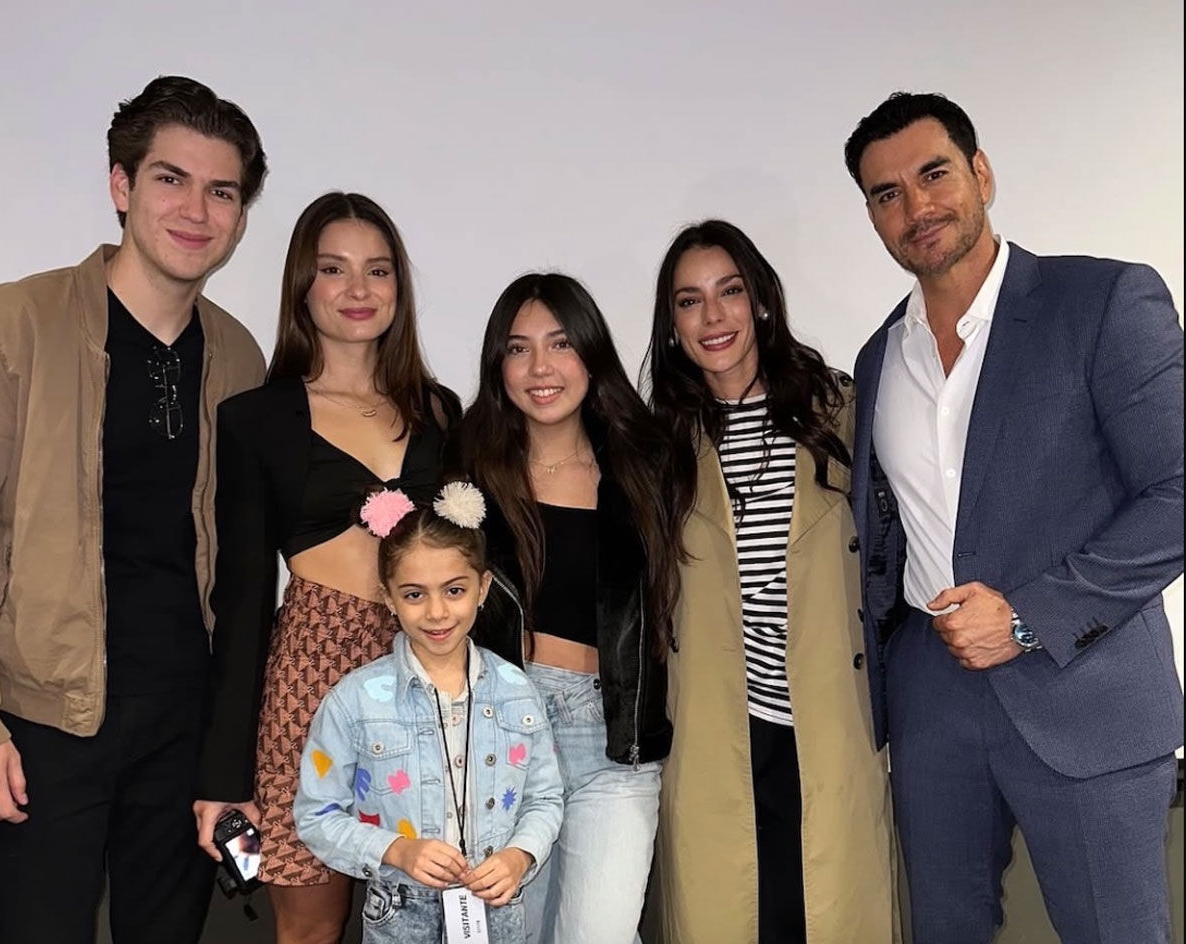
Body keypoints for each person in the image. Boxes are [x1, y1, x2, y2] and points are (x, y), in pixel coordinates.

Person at [0, 76, 267, 943]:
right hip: (44, 726)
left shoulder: (238, 357)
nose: (196, 210)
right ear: (121, 185)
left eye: (221, 191)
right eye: (170, 179)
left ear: (240, 215)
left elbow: (238, 569)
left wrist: (229, 750)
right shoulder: (10, 325)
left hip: (183, 727)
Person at [844, 91, 1184, 944]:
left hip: (1087, 692)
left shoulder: (1101, 300)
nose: (916, 207)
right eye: (887, 194)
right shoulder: (878, 358)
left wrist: (1029, 619)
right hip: (932, 702)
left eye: (934, 174)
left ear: (982, 173)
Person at [194, 191, 461, 944]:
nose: (357, 289)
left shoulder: (440, 413)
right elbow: (242, 599)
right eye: (334, 269)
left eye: (378, 270)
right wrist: (223, 777)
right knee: (312, 921)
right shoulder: (257, 419)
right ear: (302, 286)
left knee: (432, 909)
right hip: (311, 672)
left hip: (426, 669)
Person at [643, 220, 899, 944]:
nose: (713, 316)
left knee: (827, 914)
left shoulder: (842, 411)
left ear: (760, 300)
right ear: (673, 326)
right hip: (715, 731)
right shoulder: (659, 443)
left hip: (829, 724)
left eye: (729, 291)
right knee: (730, 914)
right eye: (689, 301)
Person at [461, 272, 680, 944]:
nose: (541, 368)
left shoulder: (647, 464)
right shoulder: (469, 469)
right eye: (518, 348)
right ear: (498, 365)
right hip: (503, 739)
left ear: (591, 352)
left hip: (614, 741)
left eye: (560, 343)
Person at [294, 483, 564, 943]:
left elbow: (546, 797)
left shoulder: (518, 692)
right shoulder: (354, 701)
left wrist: (520, 855)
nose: (437, 613)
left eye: (454, 590)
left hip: (497, 911)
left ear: (482, 588)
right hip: (399, 914)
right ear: (388, 597)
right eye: (414, 595)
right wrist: (395, 850)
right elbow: (316, 815)